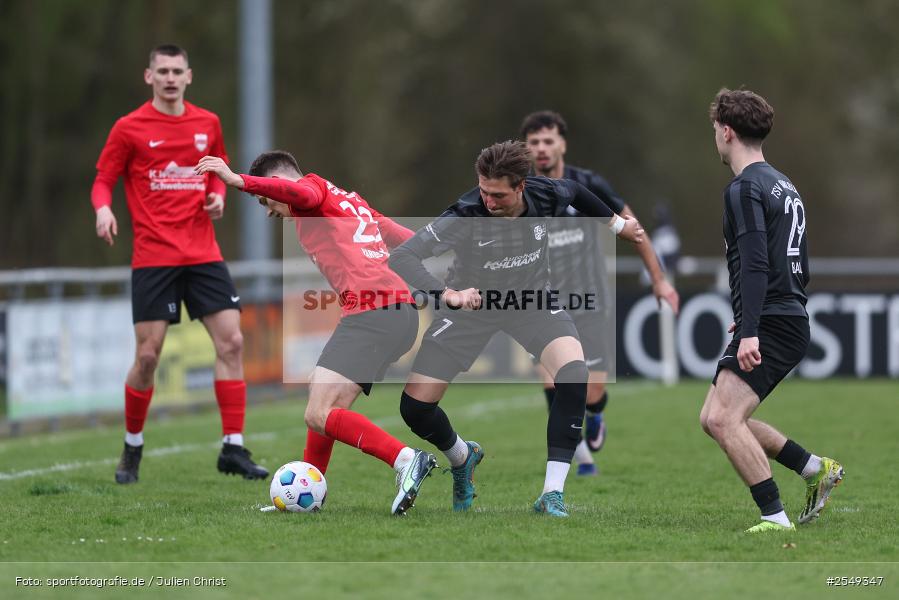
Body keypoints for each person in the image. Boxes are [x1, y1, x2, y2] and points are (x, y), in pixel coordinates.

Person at [388, 140, 644, 517]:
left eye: (498, 195)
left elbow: (578, 192)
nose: (488, 201)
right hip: (471, 308)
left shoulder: (546, 193)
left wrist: (618, 225)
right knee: (415, 408)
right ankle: (462, 457)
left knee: (574, 375)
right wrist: (448, 295)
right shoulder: (465, 214)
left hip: (531, 301)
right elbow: (403, 255)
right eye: (483, 192)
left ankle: (551, 494)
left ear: (521, 186)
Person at [195, 151, 437, 515]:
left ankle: (405, 460)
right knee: (324, 402)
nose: (268, 210)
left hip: (374, 310)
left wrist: (238, 182)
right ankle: (311, 484)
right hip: (393, 310)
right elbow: (403, 237)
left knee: (318, 412)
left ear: (280, 184)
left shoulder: (312, 193)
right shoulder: (348, 199)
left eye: (266, 200)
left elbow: (302, 194)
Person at [91, 44, 267, 484]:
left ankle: (233, 447)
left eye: (177, 71)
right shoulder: (129, 127)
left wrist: (219, 197)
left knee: (231, 344)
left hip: (203, 253)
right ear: (148, 76)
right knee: (148, 356)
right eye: (162, 71)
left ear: (189, 76)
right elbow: (103, 180)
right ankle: (132, 446)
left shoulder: (207, 123)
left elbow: (217, 169)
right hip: (154, 258)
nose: (170, 77)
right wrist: (103, 209)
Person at [700, 88, 843, 533]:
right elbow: (791, 261)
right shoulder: (782, 182)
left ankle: (775, 518)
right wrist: (749, 313)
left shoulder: (743, 188)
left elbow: (759, 261)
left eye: (715, 131)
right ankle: (814, 469)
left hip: (774, 321)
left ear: (726, 131)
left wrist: (751, 326)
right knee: (714, 418)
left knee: (724, 419)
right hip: (784, 314)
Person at [521, 110, 681, 475]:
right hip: (543, 304)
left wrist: (658, 279)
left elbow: (633, 228)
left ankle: (594, 417)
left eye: (548, 141)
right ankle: (574, 455)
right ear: (526, 148)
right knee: (554, 381)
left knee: (592, 394)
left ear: (562, 144)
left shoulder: (587, 184)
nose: (542, 149)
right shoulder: (521, 190)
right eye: (534, 143)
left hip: (589, 302)